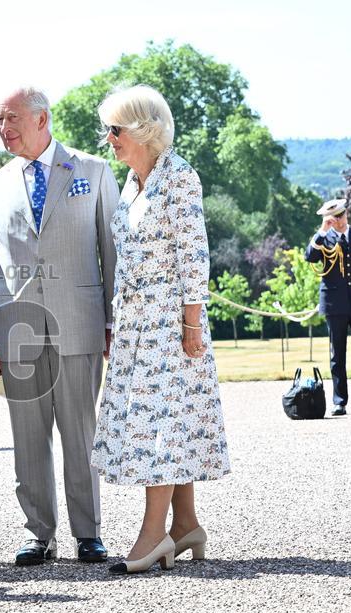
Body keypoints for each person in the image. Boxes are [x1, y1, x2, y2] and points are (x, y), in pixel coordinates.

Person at [90, 84, 231, 574]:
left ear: (144, 131)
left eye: (115, 129)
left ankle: (154, 535)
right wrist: (116, 322)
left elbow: (194, 257)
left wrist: (192, 323)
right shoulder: (133, 183)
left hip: (171, 323)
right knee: (167, 421)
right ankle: (186, 522)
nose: (108, 138)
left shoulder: (179, 178)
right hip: (135, 324)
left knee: (163, 427)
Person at [0, 87, 118, 567]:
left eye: (11, 117)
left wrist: (116, 321)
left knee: (80, 432)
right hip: (16, 332)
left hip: (80, 323)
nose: (4, 128)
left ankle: (87, 533)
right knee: (28, 438)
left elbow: (113, 252)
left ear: (42, 119)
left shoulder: (93, 171)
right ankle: (39, 533)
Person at [305, 198, 351, 415]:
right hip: (334, 305)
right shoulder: (323, 239)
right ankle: (340, 402)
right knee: (337, 355)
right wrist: (322, 230)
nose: (338, 220)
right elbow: (310, 257)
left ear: (346, 214)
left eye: (341, 215)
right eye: (333, 217)